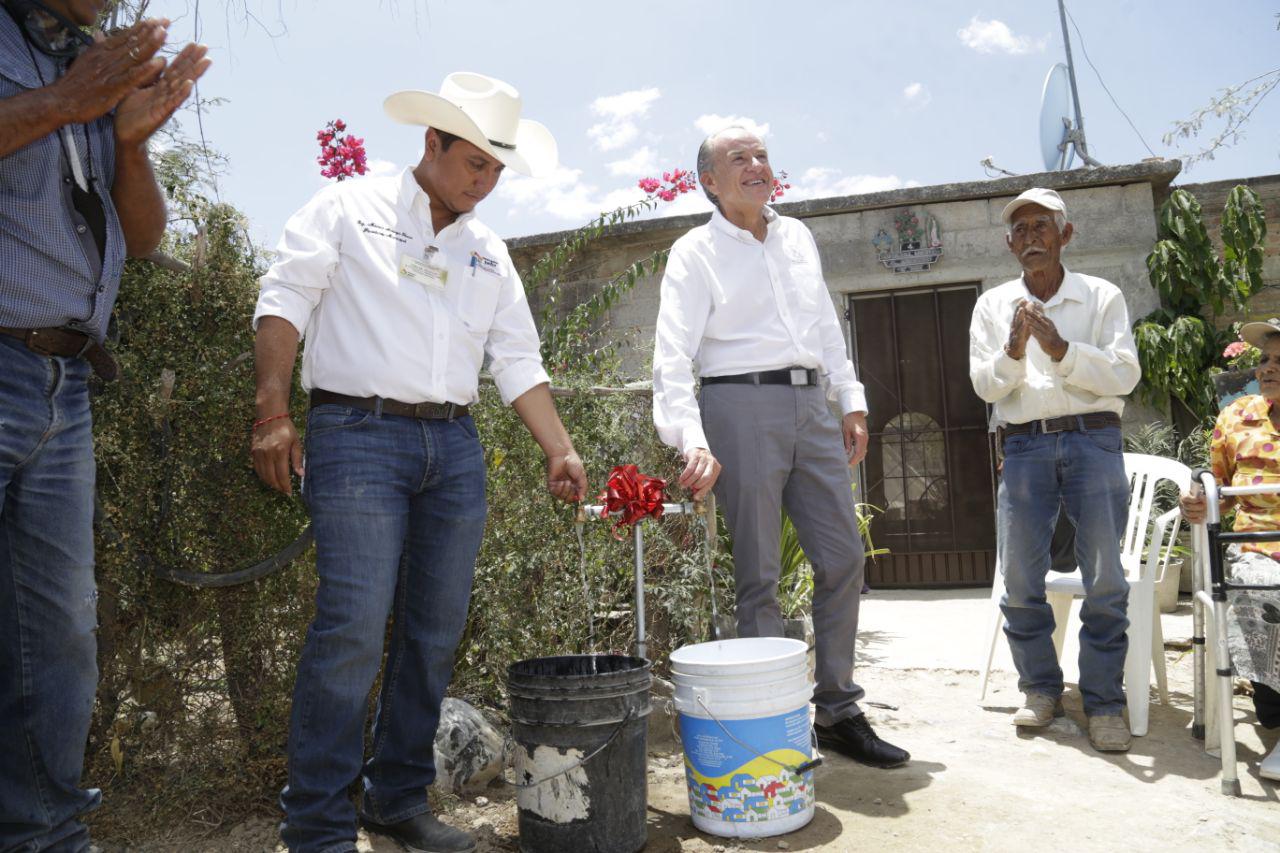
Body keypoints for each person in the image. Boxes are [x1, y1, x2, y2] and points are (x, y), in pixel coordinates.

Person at [252, 72, 587, 853]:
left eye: (499, 170)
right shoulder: (347, 208)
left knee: (435, 632)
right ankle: (316, 822)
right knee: (353, 630)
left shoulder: (488, 253)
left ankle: (395, 798)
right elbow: (284, 300)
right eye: (476, 163)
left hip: (454, 449)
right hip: (358, 435)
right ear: (430, 142)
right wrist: (271, 412)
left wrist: (560, 447)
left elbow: (517, 358)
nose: (487, 183)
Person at [0, 2, 208, 848]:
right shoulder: (74, 72)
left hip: (65, 384)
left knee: (57, 642)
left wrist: (127, 142)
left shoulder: (93, 60)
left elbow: (142, 238)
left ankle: (46, 836)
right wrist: (60, 102)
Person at [652, 126, 909, 769]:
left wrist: (850, 398)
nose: (755, 165)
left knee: (844, 557)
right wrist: (691, 438)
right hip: (738, 406)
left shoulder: (797, 236)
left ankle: (838, 707)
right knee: (759, 575)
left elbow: (824, 321)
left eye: (761, 155)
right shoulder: (695, 252)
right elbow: (671, 356)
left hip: (810, 405)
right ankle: (774, 725)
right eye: (737, 158)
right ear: (708, 181)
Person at [969, 187, 1141, 752]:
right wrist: (1016, 348)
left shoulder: (1101, 296)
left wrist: (1062, 348)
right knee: (1019, 578)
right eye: (1019, 231)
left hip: (1094, 443)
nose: (1029, 238)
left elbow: (1123, 376)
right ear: (1008, 244)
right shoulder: (995, 305)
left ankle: (1104, 703)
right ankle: (1041, 691)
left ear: (1065, 235)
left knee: (1105, 579)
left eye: (1041, 227)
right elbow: (985, 386)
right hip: (1023, 447)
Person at [1179, 317, 1280, 781]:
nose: (1267, 369)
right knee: (1265, 590)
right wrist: (1196, 499)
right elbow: (1212, 482)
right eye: (1264, 360)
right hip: (1254, 545)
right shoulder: (1237, 415)